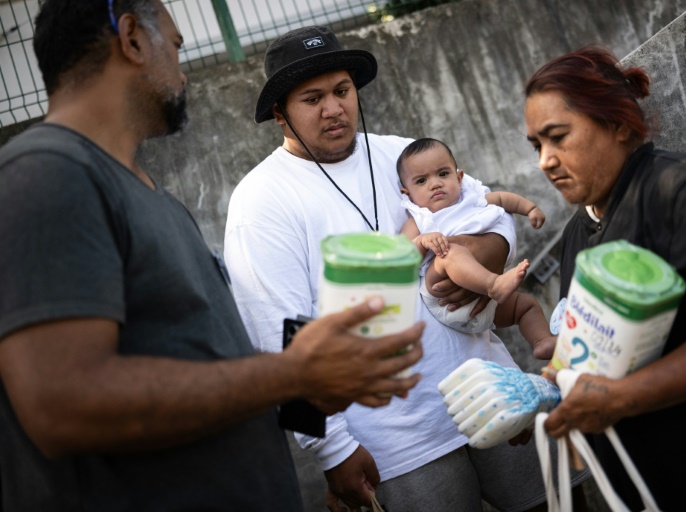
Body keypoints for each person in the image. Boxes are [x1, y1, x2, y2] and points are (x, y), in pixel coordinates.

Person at [0, 2, 423, 510]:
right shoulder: (46, 175)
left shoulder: (153, 198)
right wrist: (294, 377)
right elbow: (61, 403)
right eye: (176, 47)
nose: (183, 72)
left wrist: (312, 386)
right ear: (132, 38)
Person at [225, 25, 589, 512]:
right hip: (396, 440)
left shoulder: (402, 154)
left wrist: (480, 261)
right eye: (312, 98)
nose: (333, 108)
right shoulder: (261, 200)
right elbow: (278, 332)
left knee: (564, 505)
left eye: (342, 91)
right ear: (279, 112)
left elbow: (492, 213)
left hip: (492, 390)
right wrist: (331, 448)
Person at [524, 45, 686, 511]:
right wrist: (552, 396)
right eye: (537, 145)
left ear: (618, 124)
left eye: (557, 137)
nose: (545, 161)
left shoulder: (685, 190)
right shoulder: (580, 229)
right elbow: (597, 347)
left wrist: (622, 398)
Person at [398, 138, 554, 358]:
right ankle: (493, 284)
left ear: (459, 177)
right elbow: (403, 257)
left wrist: (530, 208)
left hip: (483, 308)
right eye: (422, 181)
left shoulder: (472, 199)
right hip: (441, 296)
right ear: (407, 193)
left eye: (443, 174)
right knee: (450, 252)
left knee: (526, 306)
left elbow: (502, 199)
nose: (435, 184)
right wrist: (423, 242)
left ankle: (542, 341)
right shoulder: (418, 219)